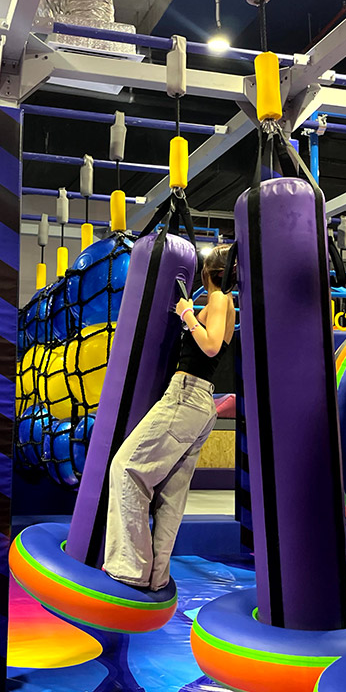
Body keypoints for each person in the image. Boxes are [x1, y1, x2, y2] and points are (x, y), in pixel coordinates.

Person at [104, 245, 235, 592]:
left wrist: (187, 314)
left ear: (208, 272)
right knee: (170, 495)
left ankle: (130, 568)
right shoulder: (227, 303)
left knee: (126, 468)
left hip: (186, 396)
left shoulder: (218, 299)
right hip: (200, 403)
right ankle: (156, 575)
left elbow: (210, 346)